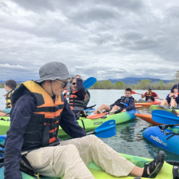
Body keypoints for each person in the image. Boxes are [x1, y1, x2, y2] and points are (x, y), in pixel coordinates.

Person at [4, 62, 165, 179]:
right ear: (48, 81)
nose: (67, 87)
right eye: (64, 83)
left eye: (68, 83)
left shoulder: (59, 99)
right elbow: (14, 137)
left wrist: (88, 144)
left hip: (51, 149)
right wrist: (12, 174)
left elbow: (73, 128)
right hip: (30, 156)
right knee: (68, 151)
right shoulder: (27, 100)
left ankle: (141, 172)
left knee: (91, 139)